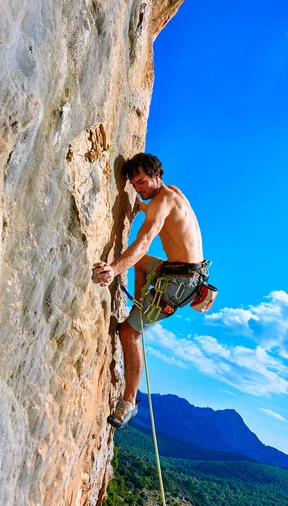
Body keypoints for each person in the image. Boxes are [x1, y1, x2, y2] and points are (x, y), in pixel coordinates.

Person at [93, 153, 210, 429]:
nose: (139, 188)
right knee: (142, 265)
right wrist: (142, 207)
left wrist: (113, 268)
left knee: (127, 333)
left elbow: (145, 240)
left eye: (142, 182)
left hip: (178, 283)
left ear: (158, 175)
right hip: (185, 274)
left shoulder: (162, 201)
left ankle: (129, 402)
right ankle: (139, 307)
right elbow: (159, 218)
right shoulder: (174, 193)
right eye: (134, 185)